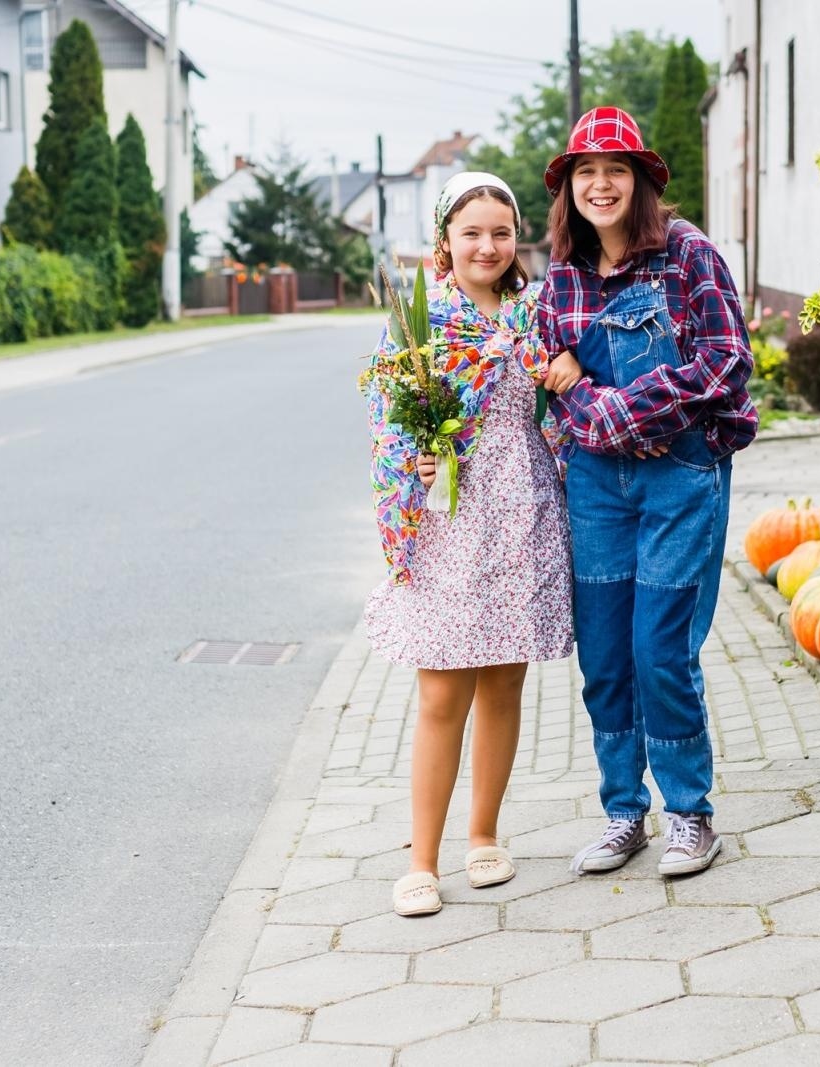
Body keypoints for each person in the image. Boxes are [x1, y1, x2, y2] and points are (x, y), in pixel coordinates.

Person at [536, 107, 757, 878]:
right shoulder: (560, 272)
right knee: (604, 657)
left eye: (615, 170)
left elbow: (725, 362)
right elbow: (546, 368)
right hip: (597, 484)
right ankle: (623, 812)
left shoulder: (687, 253)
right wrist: (575, 397)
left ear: (641, 181)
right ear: (569, 189)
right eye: (585, 173)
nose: (601, 184)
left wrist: (604, 406)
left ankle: (690, 814)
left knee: (660, 650)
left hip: (680, 473)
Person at [359, 172, 579, 917]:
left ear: (518, 239)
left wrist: (567, 373)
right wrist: (413, 459)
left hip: (522, 518)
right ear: (444, 241)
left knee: (504, 685)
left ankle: (484, 835)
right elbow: (386, 421)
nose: (488, 245)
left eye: (501, 231)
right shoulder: (422, 323)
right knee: (441, 691)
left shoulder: (536, 313)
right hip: (450, 522)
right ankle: (421, 859)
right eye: (472, 232)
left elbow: (560, 397)